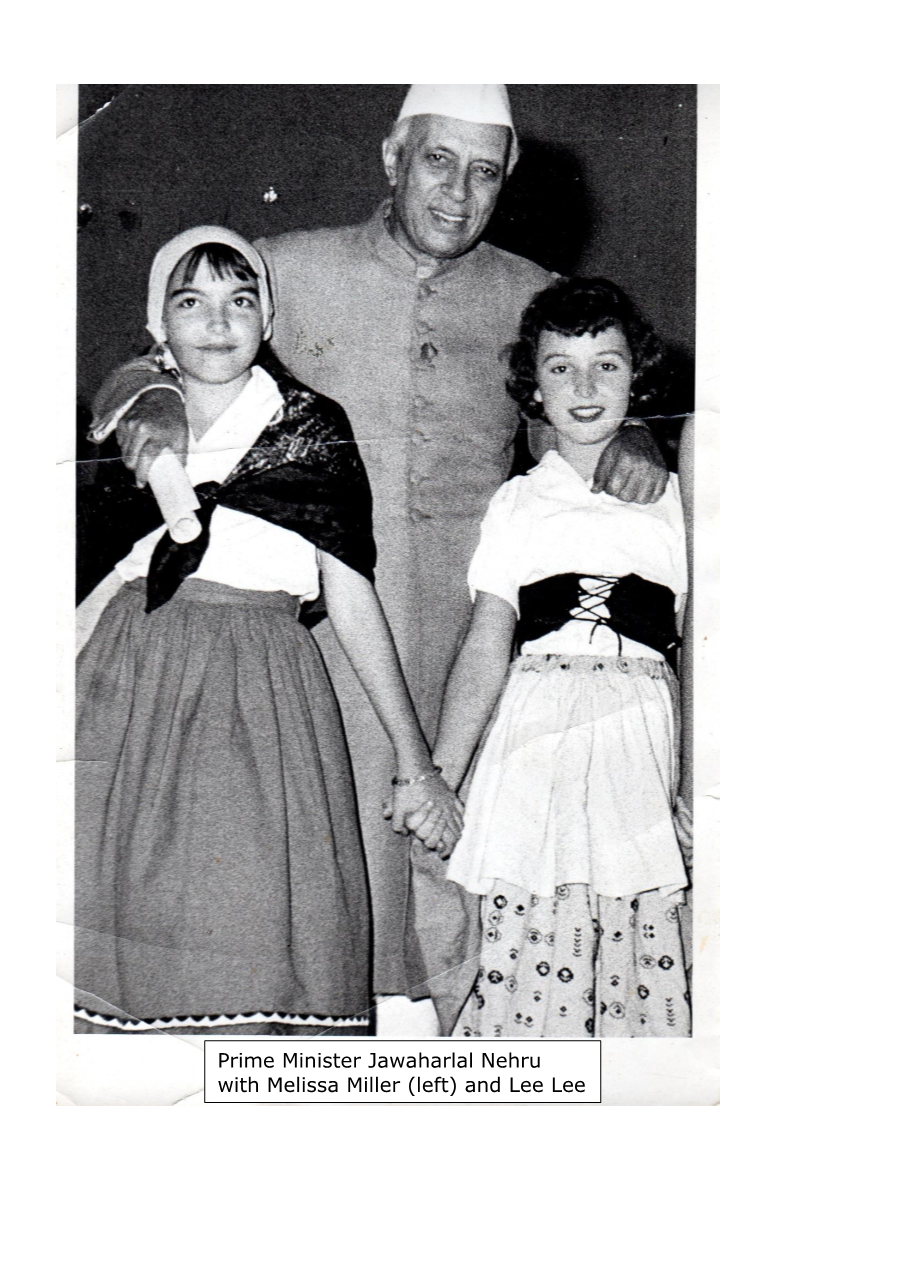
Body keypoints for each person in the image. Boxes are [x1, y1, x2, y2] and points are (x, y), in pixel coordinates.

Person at [86, 86, 670, 1036]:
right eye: (438, 161)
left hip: (466, 625)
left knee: (461, 839)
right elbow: (159, 350)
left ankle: (465, 1042)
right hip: (311, 633)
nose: (457, 192)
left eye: (485, 172)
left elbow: (579, 401)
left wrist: (634, 434)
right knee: (305, 858)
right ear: (394, 155)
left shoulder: (529, 294)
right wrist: (147, 400)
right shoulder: (282, 267)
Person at [74, 226, 461, 1036]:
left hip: (261, 698)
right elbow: (104, 574)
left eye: (239, 300)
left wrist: (415, 760)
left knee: (253, 941)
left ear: (270, 318)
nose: (217, 322)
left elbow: (352, 595)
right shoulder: (125, 428)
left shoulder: (312, 428)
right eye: (192, 302)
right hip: (132, 684)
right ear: (159, 323)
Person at [431, 277, 691, 1038]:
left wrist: (695, 786)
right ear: (532, 387)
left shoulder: (681, 495)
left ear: (636, 376)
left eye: (606, 365)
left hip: (637, 733)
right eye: (560, 368)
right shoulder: (516, 501)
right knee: (525, 932)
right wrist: (441, 779)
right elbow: (486, 642)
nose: (584, 387)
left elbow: (705, 642)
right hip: (532, 736)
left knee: (634, 943)